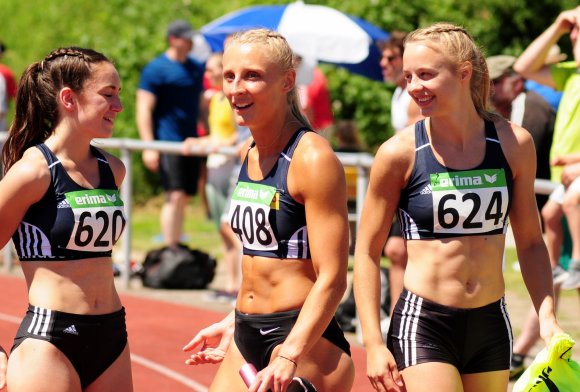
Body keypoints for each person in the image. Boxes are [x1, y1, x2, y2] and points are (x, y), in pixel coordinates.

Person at [353, 22, 564, 392]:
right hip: (425, 323)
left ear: (464, 73)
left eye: (426, 74)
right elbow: (367, 253)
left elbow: (530, 242)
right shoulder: (398, 153)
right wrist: (372, 341)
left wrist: (546, 316)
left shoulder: (515, 143)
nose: (414, 86)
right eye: (409, 76)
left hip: (491, 322)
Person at [182, 29, 354, 392]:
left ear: (287, 81)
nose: (236, 88)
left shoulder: (312, 158)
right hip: (246, 332)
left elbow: (334, 277)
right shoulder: (248, 152)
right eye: (230, 76)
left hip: (301, 337)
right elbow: (264, 257)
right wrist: (233, 319)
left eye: (252, 76)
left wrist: (289, 355)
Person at [0, 47, 132, 391]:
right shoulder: (32, 172)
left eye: (119, 95)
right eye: (108, 95)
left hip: (112, 335)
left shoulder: (112, 170)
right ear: (69, 98)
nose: (118, 107)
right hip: (50, 340)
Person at [509, 7, 580, 377]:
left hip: (575, 189)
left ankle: (524, 347)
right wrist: (558, 25)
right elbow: (523, 67)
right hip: (564, 188)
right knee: (555, 269)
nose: (573, 38)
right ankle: (527, 345)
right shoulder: (571, 76)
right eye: (574, 34)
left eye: (578, 33)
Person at [136, 19, 205, 247]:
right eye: (185, 37)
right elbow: (144, 108)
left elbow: (201, 105)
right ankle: (170, 247)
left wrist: (211, 134)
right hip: (167, 141)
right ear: (173, 39)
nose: (190, 42)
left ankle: (176, 242)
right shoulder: (156, 69)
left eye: (190, 37)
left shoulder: (196, 68)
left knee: (185, 196)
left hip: (192, 141)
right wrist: (149, 147)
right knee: (174, 195)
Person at [184, 52, 241, 301]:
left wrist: (217, 143)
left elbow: (237, 135)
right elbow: (216, 135)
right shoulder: (214, 100)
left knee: (230, 227)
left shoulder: (232, 100)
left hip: (231, 165)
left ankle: (243, 284)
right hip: (216, 164)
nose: (207, 74)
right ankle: (231, 284)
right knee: (221, 227)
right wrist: (198, 141)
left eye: (211, 70)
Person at [378, 31, 422, 317]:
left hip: (414, 180)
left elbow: (416, 140)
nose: (384, 63)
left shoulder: (414, 95)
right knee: (395, 251)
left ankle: (407, 316)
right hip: (401, 180)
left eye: (390, 57)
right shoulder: (398, 93)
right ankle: (396, 316)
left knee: (403, 250)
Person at [487, 54, 555, 212]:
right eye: (486, 83)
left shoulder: (529, 105)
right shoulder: (513, 107)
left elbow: (516, 158)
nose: (489, 88)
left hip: (543, 202)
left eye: (495, 82)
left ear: (516, 82)